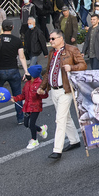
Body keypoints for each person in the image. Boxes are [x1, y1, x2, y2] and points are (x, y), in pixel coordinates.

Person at [36, 29, 86, 159]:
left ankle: (57, 149)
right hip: (54, 90)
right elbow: (48, 72)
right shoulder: (52, 52)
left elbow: (83, 65)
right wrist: (42, 87)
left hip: (66, 90)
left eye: (53, 38)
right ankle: (74, 140)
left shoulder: (71, 50)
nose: (50, 41)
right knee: (66, 117)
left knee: (60, 119)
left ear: (60, 39)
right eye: (50, 38)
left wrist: (72, 67)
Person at [11, 64, 48, 149]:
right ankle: (41, 130)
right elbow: (23, 95)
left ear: (33, 74)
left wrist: (42, 93)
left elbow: (45, 95)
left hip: (35, 107)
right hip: (27, 107)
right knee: (26, 124)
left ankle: (34, 140)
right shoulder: (27, 84)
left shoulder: (40, 84)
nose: (26, 74)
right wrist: (15, 98)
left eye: (28, 72)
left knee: (31, 124)